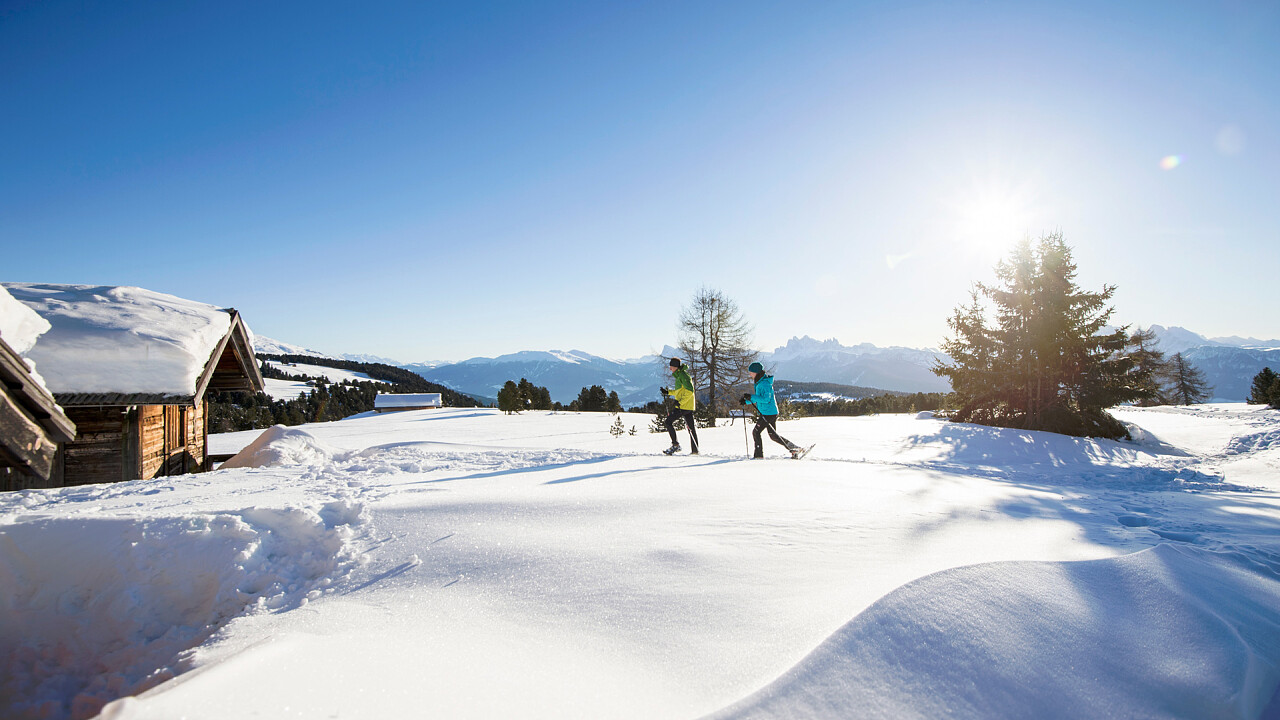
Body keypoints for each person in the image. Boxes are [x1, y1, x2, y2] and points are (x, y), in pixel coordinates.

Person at [742, 361, 804, 459]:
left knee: (756, 432)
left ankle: (758, 456)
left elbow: (766, 399)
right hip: (769, 412)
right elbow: (760, 398)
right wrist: (747, 401)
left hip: (768, 413)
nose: (750, 374)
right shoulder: (760, 382)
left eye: (751, 372)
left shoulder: (764, 384)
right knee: (773, 435)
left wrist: (751, 397)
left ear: (756, 372)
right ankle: (794, 448)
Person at [660, 357, 699, 455]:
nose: (670, 369)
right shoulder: (680, 375)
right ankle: (695, 450)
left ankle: (675, 445)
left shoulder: (683, 376)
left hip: (683, 406)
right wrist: (668, 392)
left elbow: (690, 391)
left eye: (671, 367)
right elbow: (680, 392)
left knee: (668, 422)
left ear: (676, 367)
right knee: (691, 428)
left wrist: (680, 403)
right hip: (687, 406)